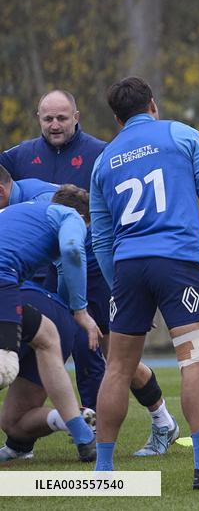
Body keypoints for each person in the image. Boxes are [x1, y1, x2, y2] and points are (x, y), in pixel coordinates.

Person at [0, 92, 185, 457]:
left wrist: (182, 164)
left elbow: (137, 186)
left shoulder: (103, 152)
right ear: (38, 117)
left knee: (108, 354)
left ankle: (159, 419)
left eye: (62, 118)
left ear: (77, 117)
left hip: (95, 269)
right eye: (48, 118)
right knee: (45, 347)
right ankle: (24, 441)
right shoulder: (18, 157)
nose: (55, 125)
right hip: (44, 275)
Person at [89, 77, 199, 488]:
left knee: (118, 368)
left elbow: (102, 237)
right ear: (153, 104)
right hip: (178, 262)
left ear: (117, 118)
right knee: (195, 361)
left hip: (127, 268)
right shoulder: (183, 135)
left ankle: (103, 471)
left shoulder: (104, 159)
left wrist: (118, 283)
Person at [0, 185, 101, 462]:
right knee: (4, 368)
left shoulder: (23, 211)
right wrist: (80, 310)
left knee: (46, 336)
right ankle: (82, 433)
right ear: (83, 217)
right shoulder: (70, 216)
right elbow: (71, 251)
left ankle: (83, 436)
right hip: (3, 280)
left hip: (8, 284)